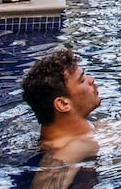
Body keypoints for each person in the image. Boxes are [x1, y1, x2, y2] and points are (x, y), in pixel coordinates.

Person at [18, 47, 101, 189]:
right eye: (82, 80)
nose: (91, 80)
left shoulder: (90, 132)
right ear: (63, 104)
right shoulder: (72, 148)